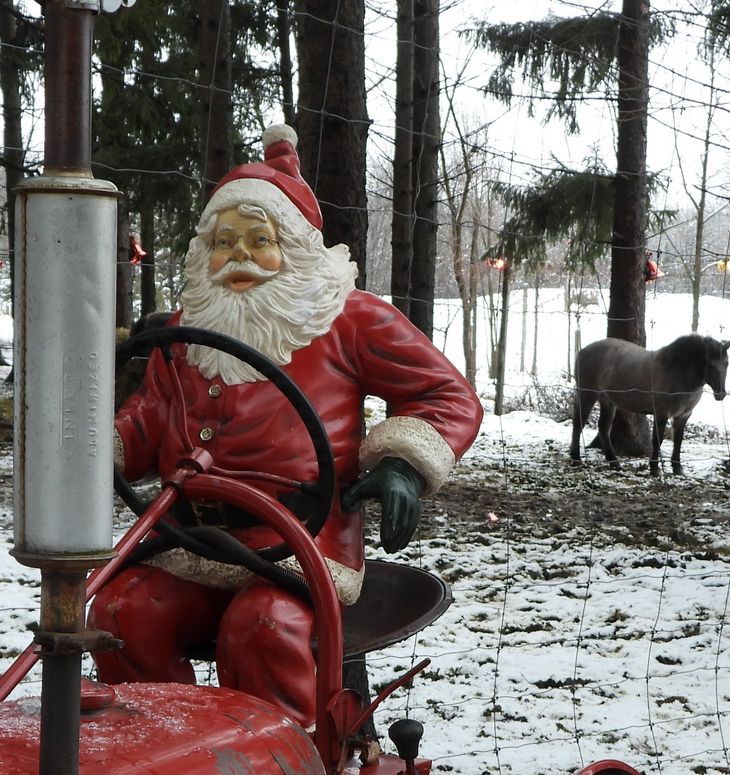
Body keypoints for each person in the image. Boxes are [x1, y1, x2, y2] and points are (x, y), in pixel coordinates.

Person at [91, 125, 482, 726]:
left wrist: (403, 463)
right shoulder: (184, 329)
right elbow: (149, 418)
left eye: (258, 239)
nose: (238, 256)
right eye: (223, 241)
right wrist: (106, 448)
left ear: (295, 248)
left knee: (263, 628)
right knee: (120, 613)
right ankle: (168, 760)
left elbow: (446, 395)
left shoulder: (349, 320)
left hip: (303, 545)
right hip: (190, 542)